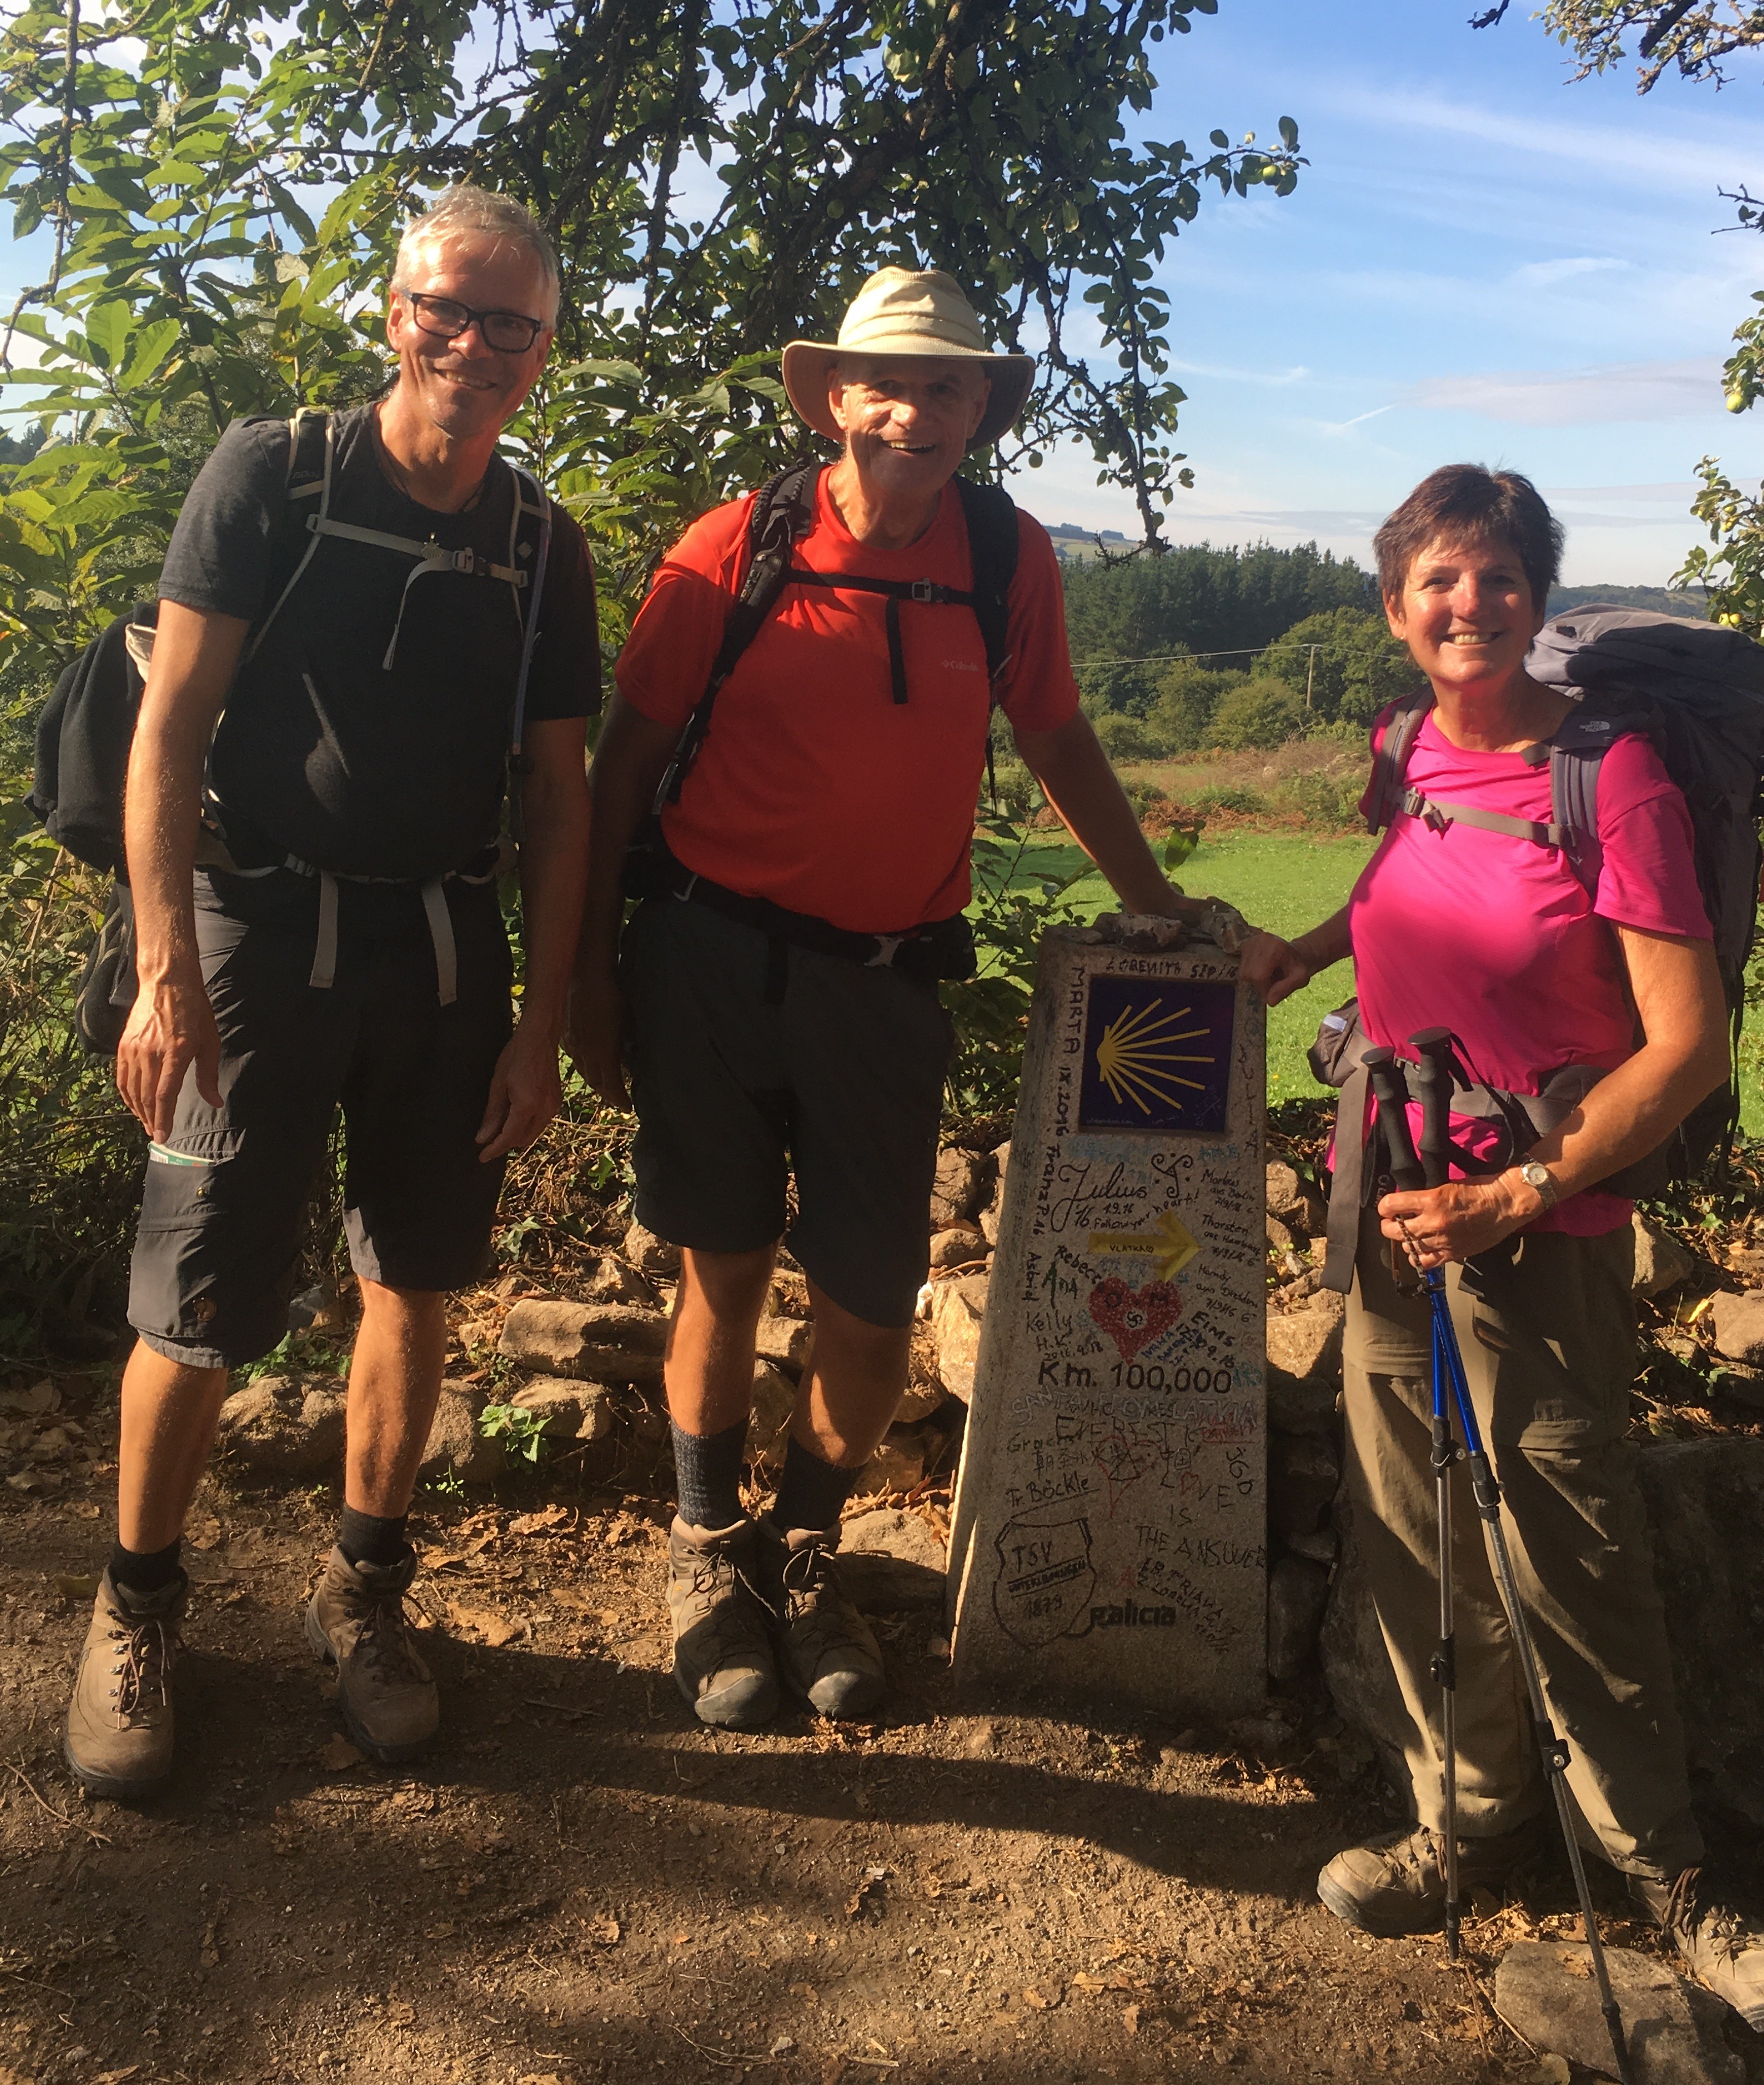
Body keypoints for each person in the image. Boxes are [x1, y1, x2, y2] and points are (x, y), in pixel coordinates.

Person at [568, 264, 1244, 1730]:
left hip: (883, 988)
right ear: (832, 398)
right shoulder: (733, 549)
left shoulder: (1005, 559)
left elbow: (1055, 734)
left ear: (979, 410)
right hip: (704, 960)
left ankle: (804, 1550)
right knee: (723, 1270)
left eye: (948, 386)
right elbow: (619, 765)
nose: (916, 410)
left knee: (872, 1300)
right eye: (888, 382)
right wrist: (577, 988)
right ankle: (706, 1549)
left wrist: (1158, 903)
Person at [1243, 464, 1764, 2033]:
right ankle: (1458, 1826)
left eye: (1497, 581)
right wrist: (1312, 948)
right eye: (1437, 580)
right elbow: (1407, 868)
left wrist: (1523, 1194)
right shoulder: (1409, 746)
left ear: (1537, 601)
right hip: (1388, 1200)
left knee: (1575, 1553)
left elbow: (1685, 1045)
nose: (1467, 606)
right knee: (1412, 1529)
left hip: (1531, 1228)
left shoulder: (1609, 780)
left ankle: (1667, 1876)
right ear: (1394, 604)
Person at [64, 186, 599, 1793]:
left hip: (442, 953)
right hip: (247, 936)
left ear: (544, 354)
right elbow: (171, 725)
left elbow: (564, 797)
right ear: (394, 311)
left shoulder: (537, 541)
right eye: (451, 307)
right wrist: (164, 974)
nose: (476, 344)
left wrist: (546, 1014)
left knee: (414, 1280)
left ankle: (366, 1601)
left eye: (513, 324)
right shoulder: (275, 472)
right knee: (199, 1288)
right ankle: (135, 1611)